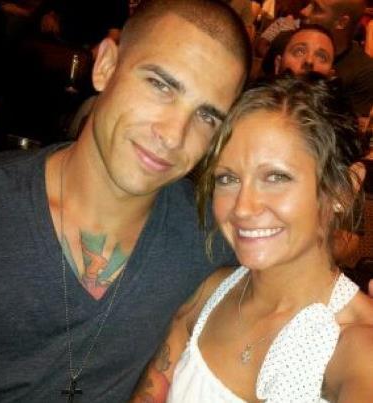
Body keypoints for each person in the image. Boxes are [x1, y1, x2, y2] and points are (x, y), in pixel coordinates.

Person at [0, 0, 252, 401]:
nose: (173, 135)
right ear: (105, 65)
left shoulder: (211, 239)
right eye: (161, 85)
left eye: (207, 116)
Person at [130, 74, 373, 402]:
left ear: (343, 189)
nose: (242, 208)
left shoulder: (356, 345)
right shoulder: (207, 293)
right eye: (227, 178)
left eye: (276, 177)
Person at [301, 0, 373, 117]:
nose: (304, 11)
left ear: (341, 22)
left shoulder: (364, 72)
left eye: (317, 9)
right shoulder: (287, 43)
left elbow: (348, 126)